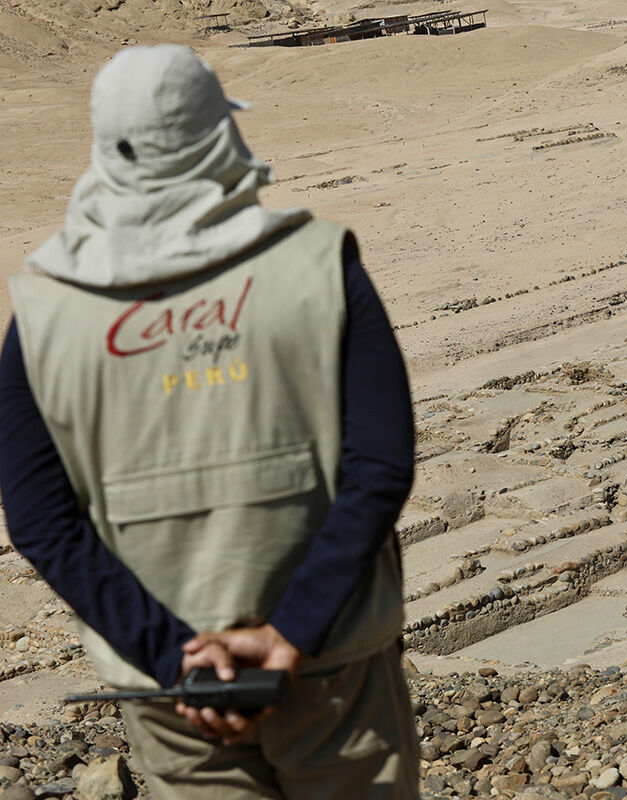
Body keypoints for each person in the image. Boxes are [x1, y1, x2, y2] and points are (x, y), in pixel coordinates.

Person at [0, 45, 419, 799]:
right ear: (217, 135)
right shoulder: (319, 266)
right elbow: (380, 464)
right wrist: (290, 634)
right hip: (332, 672)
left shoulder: (43, 312)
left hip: (170, 698)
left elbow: (38, 519)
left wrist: (178, 662)